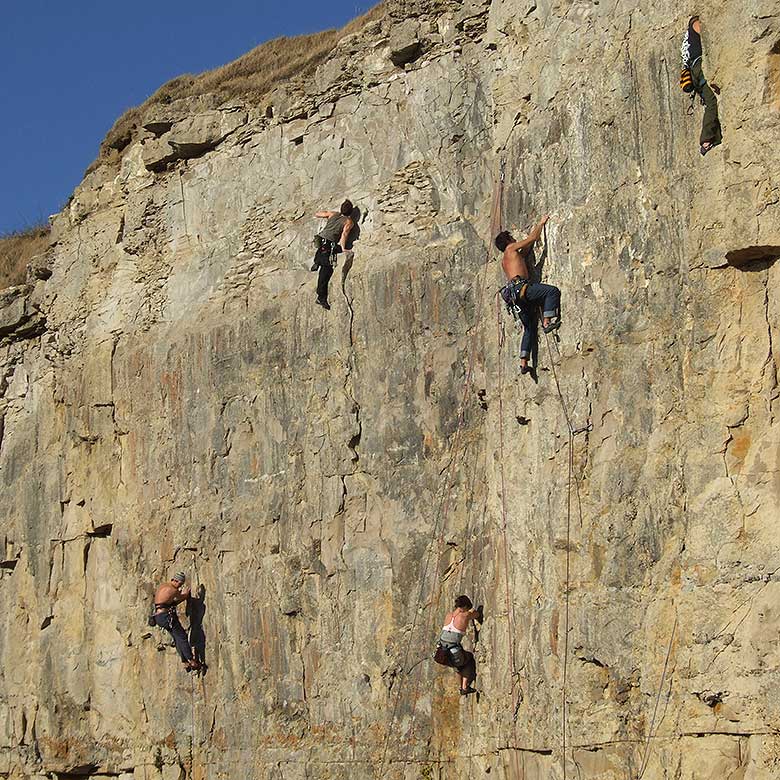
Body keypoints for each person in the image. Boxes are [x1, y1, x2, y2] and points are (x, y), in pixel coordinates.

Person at [495, 215, 561, 375]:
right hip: (522, 288)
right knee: (551, 291)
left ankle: (523, 362)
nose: (514, 238)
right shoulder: (511, 249)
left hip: (516, 297)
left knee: (529, 327)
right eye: (512, 237)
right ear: (509, 240)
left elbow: (526, 250)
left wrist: (531, 241)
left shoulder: (506, 259)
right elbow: (533, 238)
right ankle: (547, 322)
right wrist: (541, 223)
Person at [681, 15, 722, 156]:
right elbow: (703, 30)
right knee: (711, 102)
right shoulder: (694, 25)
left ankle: (715, 139)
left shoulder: (686, 40)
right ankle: (706, 139)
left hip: (693, 73)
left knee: (709, 101)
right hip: (698, 67)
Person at [311, 199, 355, 310]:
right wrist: (344, 248)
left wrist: (317, 215)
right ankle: (321, 297)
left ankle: (317, 261)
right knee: (326, 270)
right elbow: (344, 235)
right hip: (329, 243)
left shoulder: (333, 214)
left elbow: (321, 213)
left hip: (320, 239)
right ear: (350, 212)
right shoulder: (348, 222)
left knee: (324, 251)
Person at [153, 572, 200, 672]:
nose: (180, 586)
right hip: (166, 617)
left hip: (159, 617)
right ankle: (191, 660)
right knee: (182, 637)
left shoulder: (163, 586)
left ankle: (185, 662)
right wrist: (186, 594)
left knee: (177, 637)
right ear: (176, 581)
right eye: (180, 584)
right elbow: (181, 597)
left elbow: (171, 602)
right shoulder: (172, 589)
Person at [437, 595, 483, 695]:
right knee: (468, 659)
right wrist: (472, 611)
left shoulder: (449, 615)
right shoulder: (465, 615)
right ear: (465, 606)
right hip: (453, 650)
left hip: (441, 651)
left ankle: (460, 686)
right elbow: (477, 614)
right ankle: (464, 687)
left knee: (456, 665)